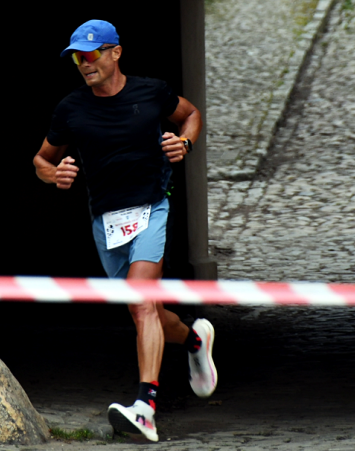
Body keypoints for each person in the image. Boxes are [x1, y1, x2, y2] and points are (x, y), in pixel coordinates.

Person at [33, 20, 217, 441]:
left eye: (92, 54)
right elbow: (41, 159)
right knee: (143, 310)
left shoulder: (151, 92)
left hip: (152, 207)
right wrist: (53, 174)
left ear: (116, 52)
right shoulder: (71, 108)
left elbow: (190, 115)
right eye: (77, 57)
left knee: (140, 302)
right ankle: (192, 339)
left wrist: (185, 144)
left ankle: (145, 407)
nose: (84, 63)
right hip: (106, 222)